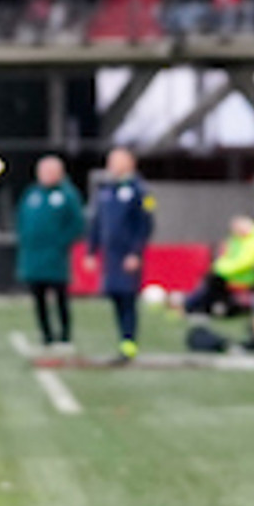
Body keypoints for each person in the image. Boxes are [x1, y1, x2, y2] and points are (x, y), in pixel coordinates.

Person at [85, 146, 155, 361]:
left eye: (117, 161)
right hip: (110, 255)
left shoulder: (140, 191)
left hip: (127, 255)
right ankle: (122, 340)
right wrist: (91, 251)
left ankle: (129, 342)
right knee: (115, 296)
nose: (112, 165)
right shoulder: (106, 189)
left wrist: (135, 253)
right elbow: (97, 222)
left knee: (127, 297)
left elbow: (145, 225)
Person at [12, 152, 84, 350]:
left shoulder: (67, 195)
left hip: (55, 257)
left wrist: (60, 242)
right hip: (33, 257)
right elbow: (21, 220)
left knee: (60, 297)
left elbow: (77, 224)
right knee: (38, 297)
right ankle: (46, 335)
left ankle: (65, 335)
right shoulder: (32, 194)